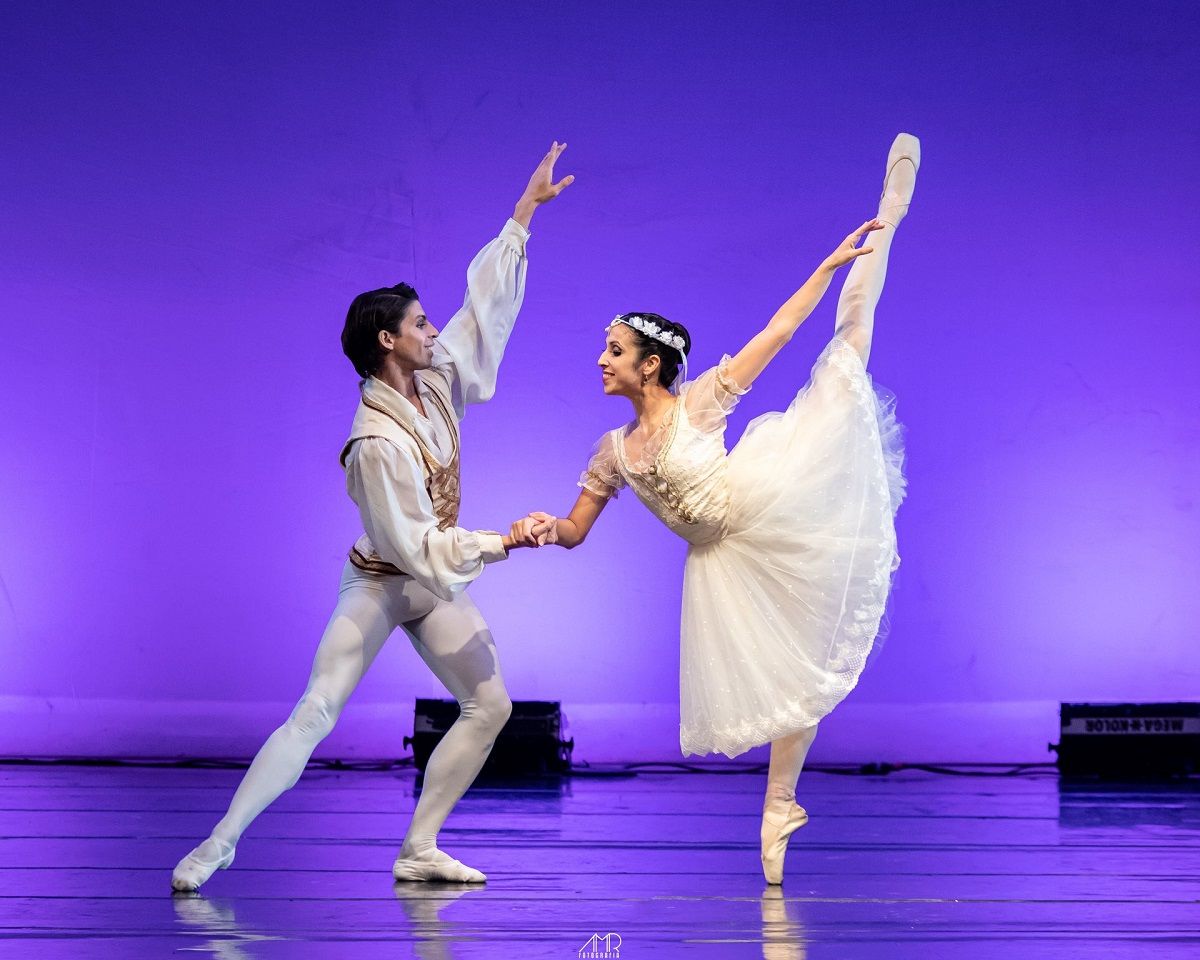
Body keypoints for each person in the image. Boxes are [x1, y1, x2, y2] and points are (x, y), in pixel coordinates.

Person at [513, 135, 918, 885]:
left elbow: (778, 333)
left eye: (613, 350)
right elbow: (575, 531)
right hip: (721, 560)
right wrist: (541, 531)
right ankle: (780, 806)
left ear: (651, 364)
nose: (601, 361)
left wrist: (827, 268)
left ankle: (890, 212)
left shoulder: (700, 404)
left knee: (845, 351)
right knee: (787, 675)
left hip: (770, 500)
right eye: (602, 351)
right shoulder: (612, 450)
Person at [171, 142, 574, 892]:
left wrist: (522, 217)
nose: (433, 332)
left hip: (433, 575)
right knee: (318, 708)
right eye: (419, 325)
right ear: (388, 341)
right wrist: (504, 539)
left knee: (490, 704)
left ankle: (419, 847)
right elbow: (419, 546)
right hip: (386, 579)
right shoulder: (375, 443)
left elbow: (482, 311)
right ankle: (219, 843)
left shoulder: (436, 378)